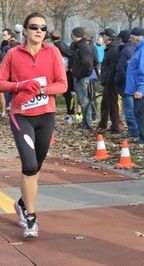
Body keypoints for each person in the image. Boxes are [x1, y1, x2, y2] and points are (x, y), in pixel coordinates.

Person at [0, 12, 67, 237]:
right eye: (34, 26)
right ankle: (31, 217)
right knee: (29, 166)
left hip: (45, 115)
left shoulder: (53, 52)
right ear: (25, 30)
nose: (39, 31)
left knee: (36, 166)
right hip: (22, 117)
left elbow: (62, 85)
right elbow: (1, 82)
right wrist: (20, 86)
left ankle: (21, 203)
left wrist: (41, 89)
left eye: (43, 28)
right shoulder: (12, 53)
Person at [115, 29, 139, 139]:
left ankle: (133, 130)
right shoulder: (138, 49)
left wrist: (118, 83)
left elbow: (120, 69)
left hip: (126, 85)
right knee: (136, 108)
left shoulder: (125, 51)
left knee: (129, 109)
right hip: (137, 84)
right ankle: (138, 129)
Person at [70, 26, 94, 130]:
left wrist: (78, 76)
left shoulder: (84, 47)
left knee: (84, 100)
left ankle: (88, 123)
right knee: (82, 100)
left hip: (82, 78)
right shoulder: (80, 46)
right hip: (80, 77)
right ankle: (85, 121)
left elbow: (87, 64)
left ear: (75, 35)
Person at [50, 30, 76, 124]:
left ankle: (71, 115)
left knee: (67, 93)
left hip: (66, 72)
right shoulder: (58, 44)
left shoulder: (60, 45)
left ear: (51, 38)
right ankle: (70, 114)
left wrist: (68, 67)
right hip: (62, 72)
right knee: (66, 93)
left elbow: (72, 55)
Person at [97, 28, 120, 134]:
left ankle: (115, 127)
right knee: (105, 104)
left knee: (112, 104)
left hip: (110, 82)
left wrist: (108, 80)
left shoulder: (113, 49)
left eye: (103, 36)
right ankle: (103, 123)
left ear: (107, 37)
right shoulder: (110, 48)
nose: (102, 38)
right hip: (107, 81)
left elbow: (113, 67)